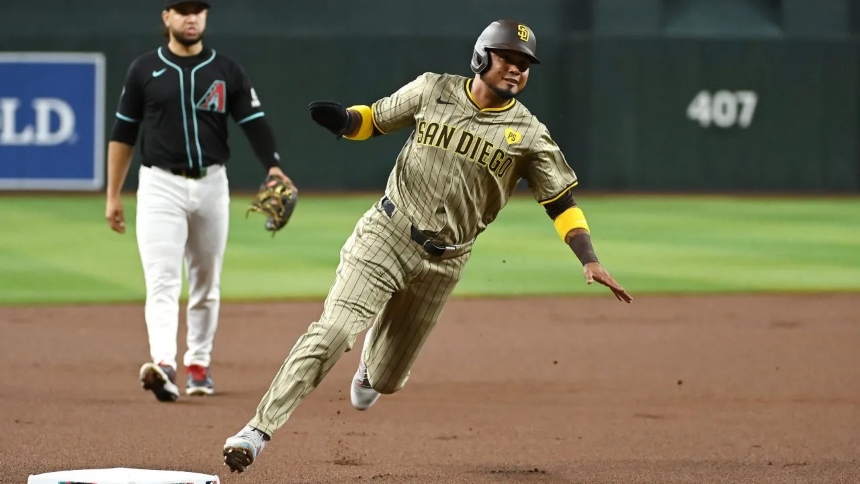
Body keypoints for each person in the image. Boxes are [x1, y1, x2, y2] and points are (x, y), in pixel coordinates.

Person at [221, 19, 631, 472]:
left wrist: (589, 259)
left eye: (525, 64)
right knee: (335, 331)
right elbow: (373, 120)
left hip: (446, 261)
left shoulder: (530, 134)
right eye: (507, 58)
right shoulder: (432, 89)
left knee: (387, 380)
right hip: (387, 232)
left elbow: (560, 201)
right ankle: (255, 432)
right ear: (481, 57)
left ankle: (370, 369)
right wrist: (343, 121)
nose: (516, 69)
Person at [104, 0, 296, 402]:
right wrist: (113, 195)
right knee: (162, 281)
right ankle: (164, 365)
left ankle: (199, 365)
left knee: (206, 282)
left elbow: (254, 123)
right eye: (183, 9)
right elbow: (123, 134)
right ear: (167, 17)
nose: (192, 17)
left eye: (198, 10)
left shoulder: (226, 70)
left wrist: (273, 167)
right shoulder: (144, 69)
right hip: (159, 185)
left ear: (204, 17)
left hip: (212, 183)